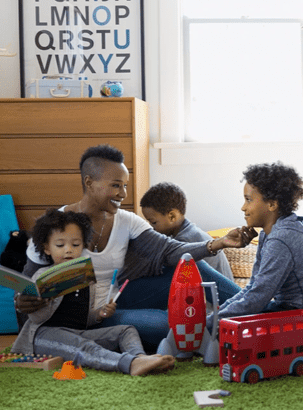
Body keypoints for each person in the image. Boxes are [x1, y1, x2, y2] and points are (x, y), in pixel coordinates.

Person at [16, 144, 243, 348]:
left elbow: (170, 250)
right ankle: (223, 329)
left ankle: (255, 306)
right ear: (89, 183)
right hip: (81, 317)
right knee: (170, 326)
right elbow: (27, 285)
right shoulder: (54, 226)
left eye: (124, 186)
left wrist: (219, 243)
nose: (123, 194)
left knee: (188, 266)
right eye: (116, 185)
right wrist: (25, 301)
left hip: (117, 301)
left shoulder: (127, 221)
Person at [10, 208, 175, 375]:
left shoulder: (85, 277)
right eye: (60, 245)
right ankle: (129, 364)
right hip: (44, 337)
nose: (68, 250)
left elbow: (83, 318)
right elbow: (37, 319)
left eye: (76, 244)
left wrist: (99, 314)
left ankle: (140, 358)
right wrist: (41, 302)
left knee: (126, 330)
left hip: (78, 333)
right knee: (84, 347)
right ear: (47, 248)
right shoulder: (41, 276)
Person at [211, 162, 303, 327]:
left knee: (225, 329)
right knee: (221, 318)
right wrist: (216, 316)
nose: (243, 207)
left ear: (272, 204)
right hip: (285, 309)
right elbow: (253, 287)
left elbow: (257, 298)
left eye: (248, 200)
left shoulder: (281, 239)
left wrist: (210, 322)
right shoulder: (268, 234)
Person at [140, 181, 236, 281]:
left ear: (172, 216)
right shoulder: (189, 231)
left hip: (218, 295)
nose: (152, 228)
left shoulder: (186, 241)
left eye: (154, 222)